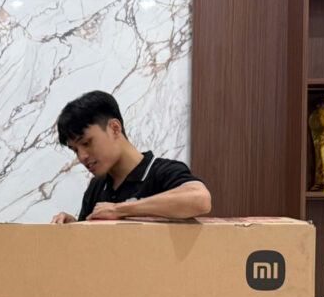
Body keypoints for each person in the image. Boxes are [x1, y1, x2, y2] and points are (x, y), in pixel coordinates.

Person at [51, 90, 211, 223]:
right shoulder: (97, 186)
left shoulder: (162, 172)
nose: (82, 157)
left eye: (87, 143)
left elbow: (200, 199)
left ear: (114, 128)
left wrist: (120, 210)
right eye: (75, 150)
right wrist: (75, 226)